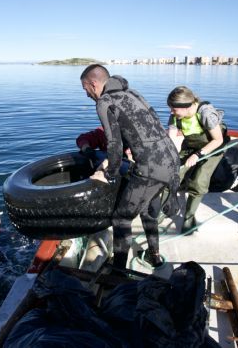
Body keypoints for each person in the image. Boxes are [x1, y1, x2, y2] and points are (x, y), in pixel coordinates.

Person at [80, 64, 179, 268]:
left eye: (85, 89)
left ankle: (118, 271)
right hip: (172, 161)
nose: (87, 94)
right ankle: (155, 257)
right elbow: (154, 124)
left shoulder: (104, 102)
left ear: (93, 83)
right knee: (147, 212)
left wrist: (110, 172)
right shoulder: (133, 93)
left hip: (151, 168)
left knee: (121, 219)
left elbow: (114, 143)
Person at [166, 86, 228, 233]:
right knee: (171, 174)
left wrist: (198, 155)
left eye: (174, 109)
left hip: (213, 147)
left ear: (187, 107)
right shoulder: (175, 116)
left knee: (198, 181)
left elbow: (218, 140)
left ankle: (189, 217)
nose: (171, 112)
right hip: (191, 145)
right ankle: (165, 209)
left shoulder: (206, 114)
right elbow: (172, 140)